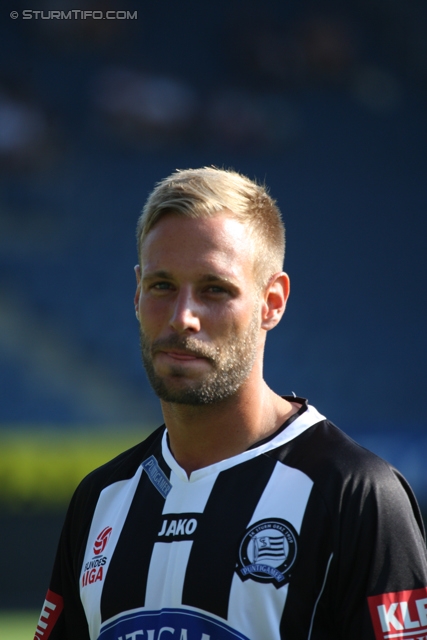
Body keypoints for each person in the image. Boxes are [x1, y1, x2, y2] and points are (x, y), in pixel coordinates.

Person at [35, 167, 427, 640]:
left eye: (214, 290)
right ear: (137, 294)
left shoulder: (355, 496)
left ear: (272, 302)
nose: (183, 318)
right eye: (162, 286)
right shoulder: (100, 500)